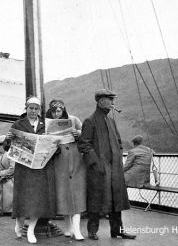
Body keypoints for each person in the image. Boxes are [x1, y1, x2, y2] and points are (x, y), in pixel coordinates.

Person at [78, 89, 135, 240]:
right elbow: (84, 145)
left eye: (112, 99)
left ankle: (117, 230)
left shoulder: (111, 121)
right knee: (96, 199)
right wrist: (96, 164)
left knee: (116, 199)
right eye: (109, 99)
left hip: (115, 168)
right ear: (100, 101)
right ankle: (92, 231)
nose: (112, 102)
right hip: (98, 169)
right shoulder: (90, 121)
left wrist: (118, 157)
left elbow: (119, 142)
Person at [7, 96, 56, 244]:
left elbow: (54, 148)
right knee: (23, 200)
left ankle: (30, 230)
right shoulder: (18, 124)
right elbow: (7, 148)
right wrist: (8, 139)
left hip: (41, 169)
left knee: (37, 201)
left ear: (39, 110)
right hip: (24, 169)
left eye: (36, 108)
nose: (33, 111)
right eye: (31, 108)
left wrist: (53, 143)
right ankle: (19, 223)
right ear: (26, 108)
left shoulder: (46, 126)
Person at [46, 99, 86, 240]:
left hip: (75, 160)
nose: (57, 113)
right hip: (58, 161)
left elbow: (86, 134)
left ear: (63, 110)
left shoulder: (73, 119)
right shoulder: (46, 124)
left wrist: (78, 133)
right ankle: (69, 228)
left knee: (76, 194)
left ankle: (77, 230)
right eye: (54, 110)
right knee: (63, 194)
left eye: (59, 110)